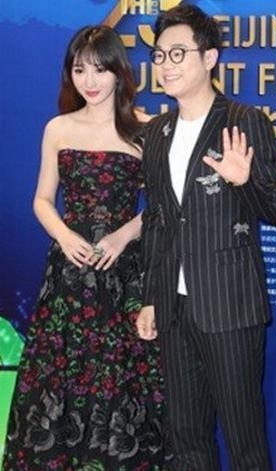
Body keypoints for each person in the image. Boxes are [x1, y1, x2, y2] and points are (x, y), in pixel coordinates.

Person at [1, 26, 165, 471]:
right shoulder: (58, 128)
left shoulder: (147, 130)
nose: (89, 81)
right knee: (60, 376)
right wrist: (64, 235)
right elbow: (41, 199)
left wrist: (122, 235)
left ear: (118, 72)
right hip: (68, 275)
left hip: (121, 276)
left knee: (121, 381)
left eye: (99, 69)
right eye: (79, 70)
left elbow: (163, 207)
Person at [135, 4, 276, 471]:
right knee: (186, 440)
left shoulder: (244, 121)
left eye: (178, 53)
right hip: (174, 308)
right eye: (159, 55)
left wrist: (246, 181)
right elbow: (157, 221)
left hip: (230, 305)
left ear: (209, 58)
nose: (166, 65)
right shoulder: (157, 133)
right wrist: (150, 298)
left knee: (245, 441)